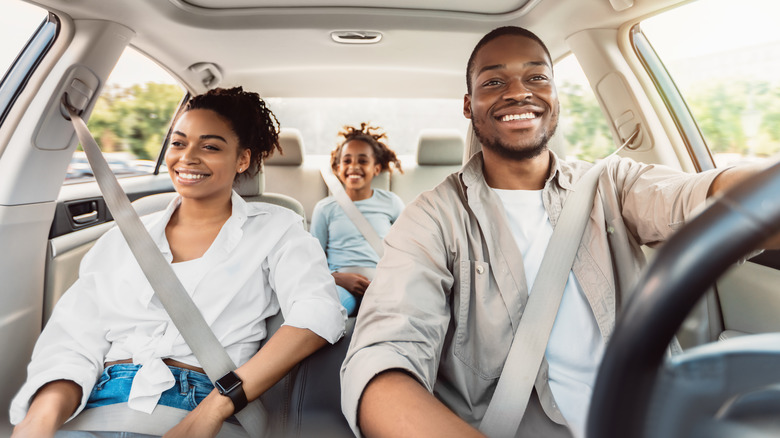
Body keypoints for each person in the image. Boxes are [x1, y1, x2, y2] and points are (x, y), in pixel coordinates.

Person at [340, 26, 776, 438]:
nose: (518, 91)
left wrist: (762, 190)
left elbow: (699, 196)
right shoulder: (431, 218)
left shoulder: (613, 183)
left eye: (537, 77)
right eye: (493, 82)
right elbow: (383, 361)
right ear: (468, 105)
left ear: (554, 96)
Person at [10, 87, 346, 438]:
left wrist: (212, 410)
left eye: (211, 146)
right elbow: (74, 340)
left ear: (242, 160)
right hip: (98, 407)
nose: (188, 157)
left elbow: (319, 312)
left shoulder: (277, 229)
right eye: (178, 143)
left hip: (207, 402)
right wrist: (40, 420)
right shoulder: (123, 236)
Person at [309, 123, 405, 316]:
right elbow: (312, 262)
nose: (354, 166)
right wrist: (337, 279)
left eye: (362, 161)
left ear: (376, 168)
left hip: (382, 284)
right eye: (347, 161)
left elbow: (407, 251)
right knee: (328, 310)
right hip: (340, 284)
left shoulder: (392, 203)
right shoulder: (325, 208)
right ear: (337, 168)